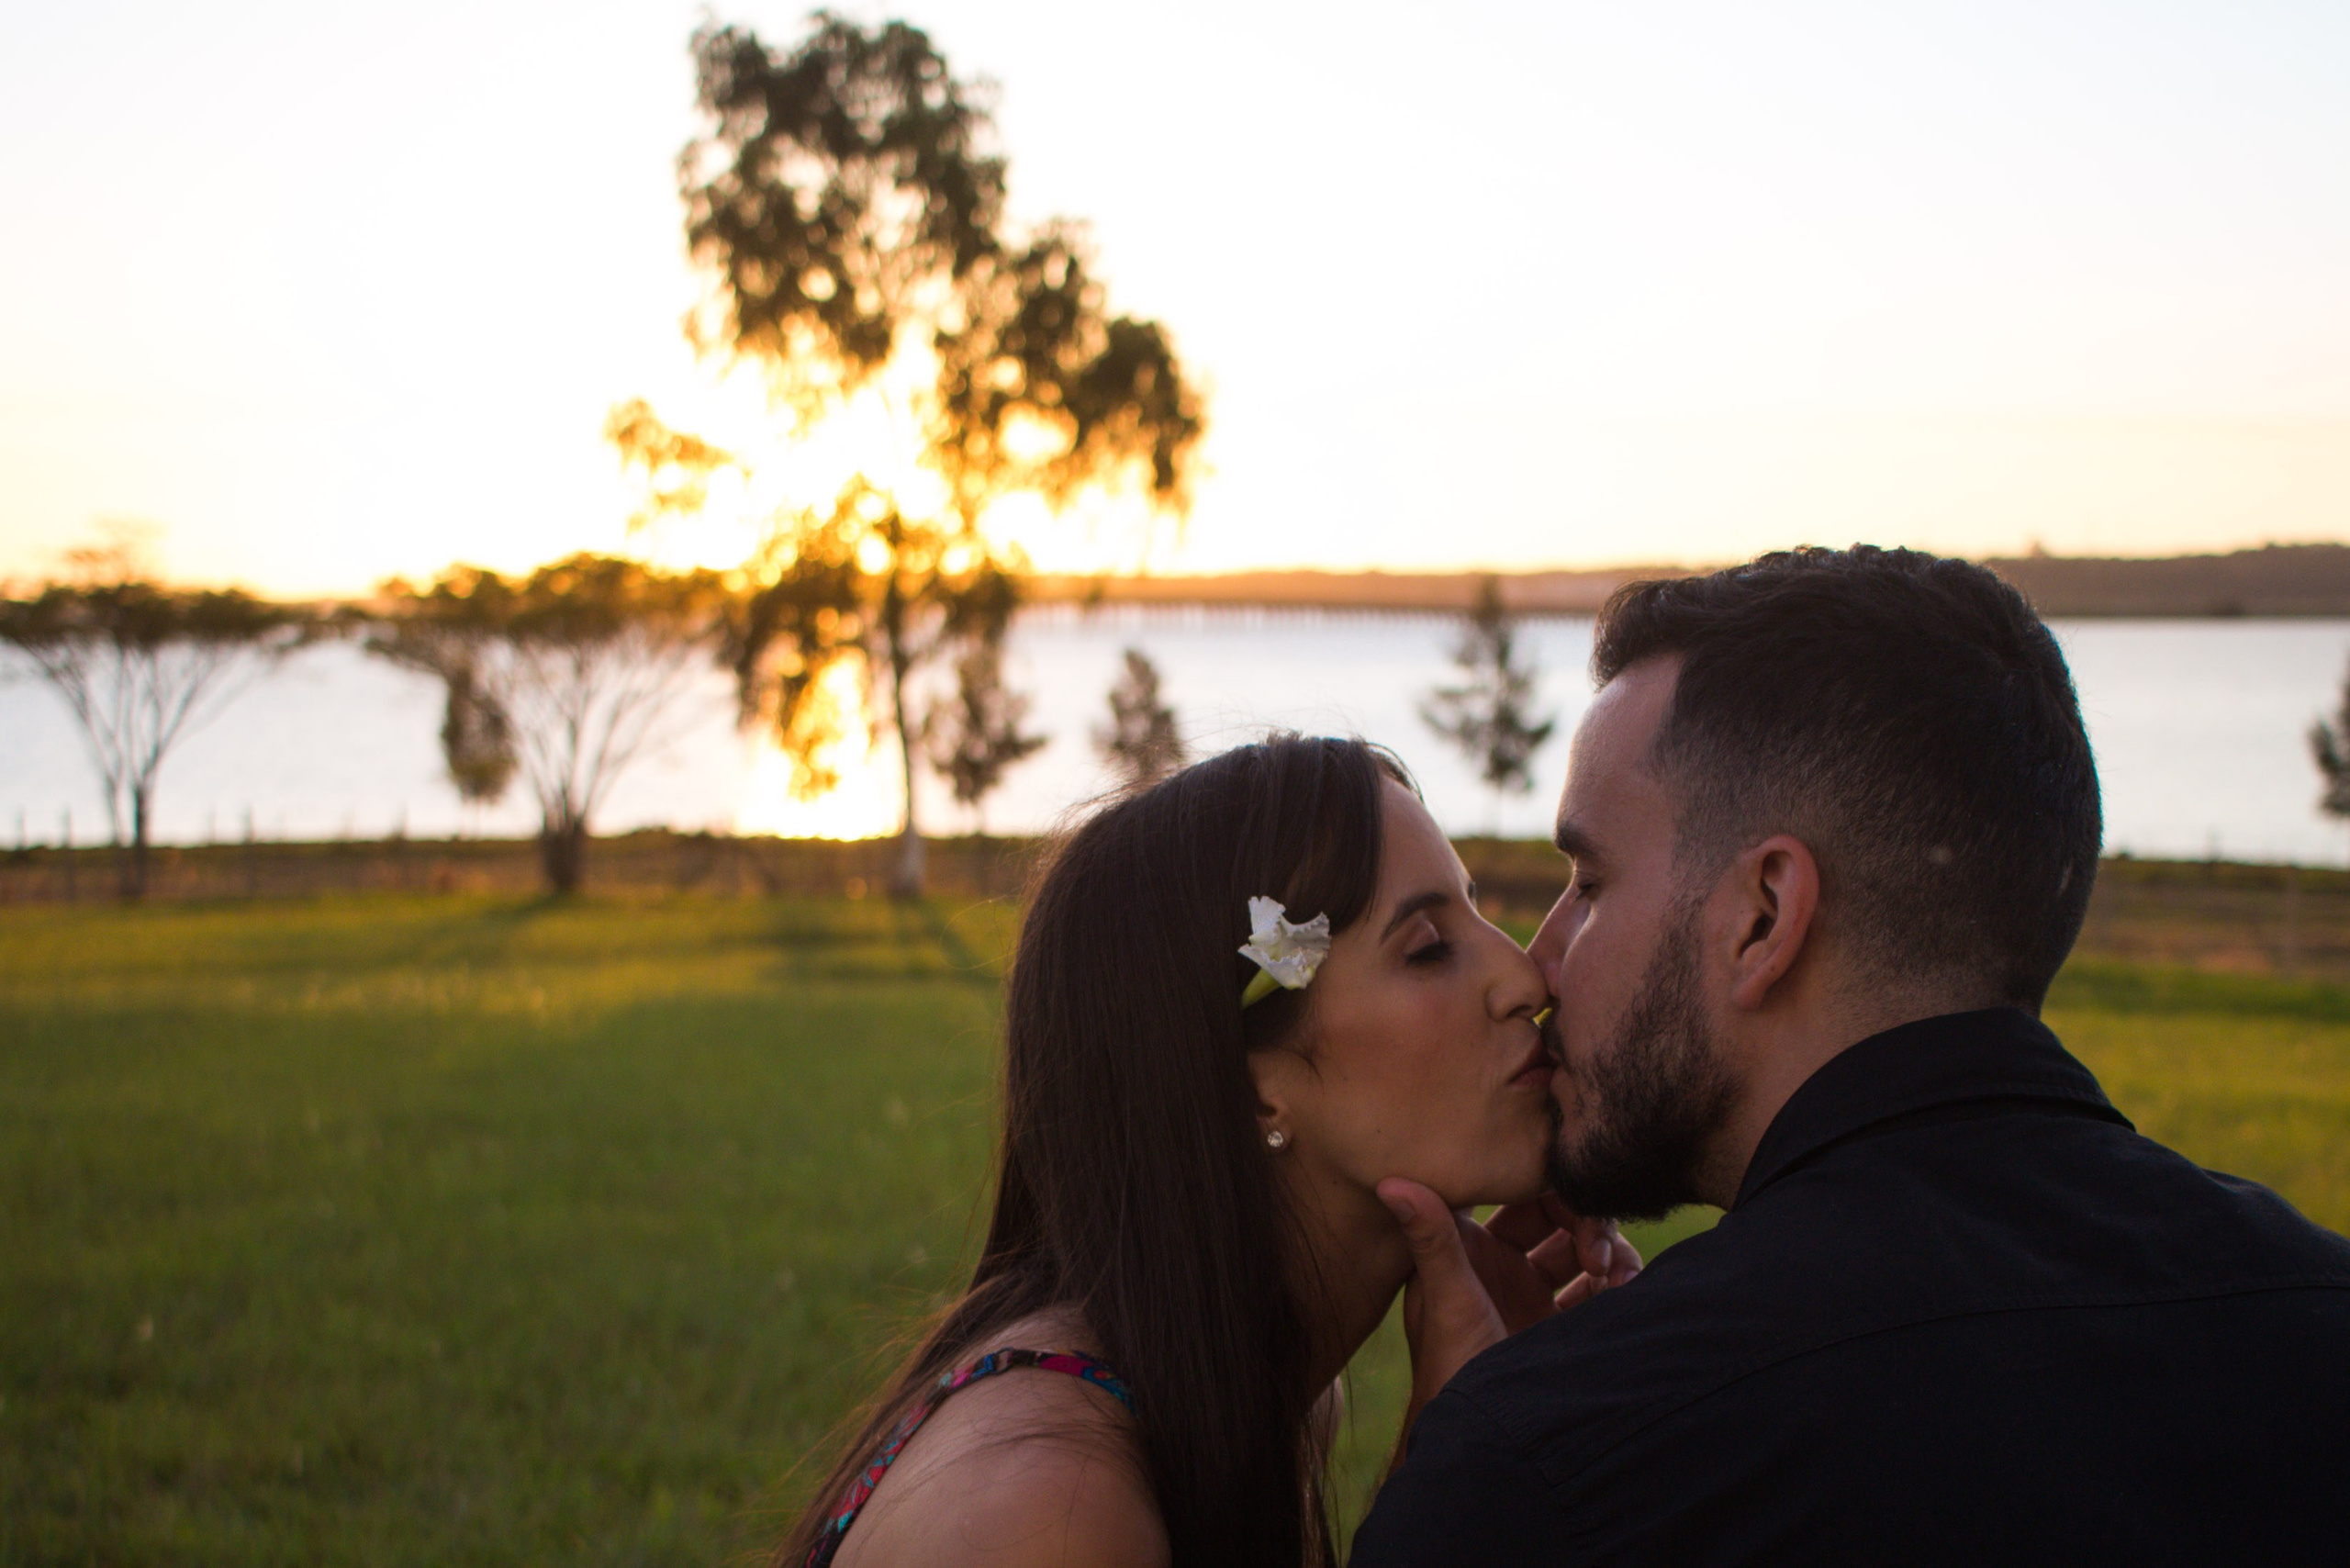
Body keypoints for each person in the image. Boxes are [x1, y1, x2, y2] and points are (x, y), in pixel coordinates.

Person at [1353, 546, 2350, 1565]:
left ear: (1763, 917)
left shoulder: (1569, 1466)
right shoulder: (2322, 1326)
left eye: (1591, 884)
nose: (1542, 960)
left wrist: (1484, 1452)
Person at [771, 734, 1638, 1568]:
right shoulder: (1046, 1510)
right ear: (1252, 1080)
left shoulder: (1270, 1400)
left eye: (1478, 913)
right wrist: (1456, 1491)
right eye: (1428, 949)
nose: (1527, 981)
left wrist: (1469, 1448)